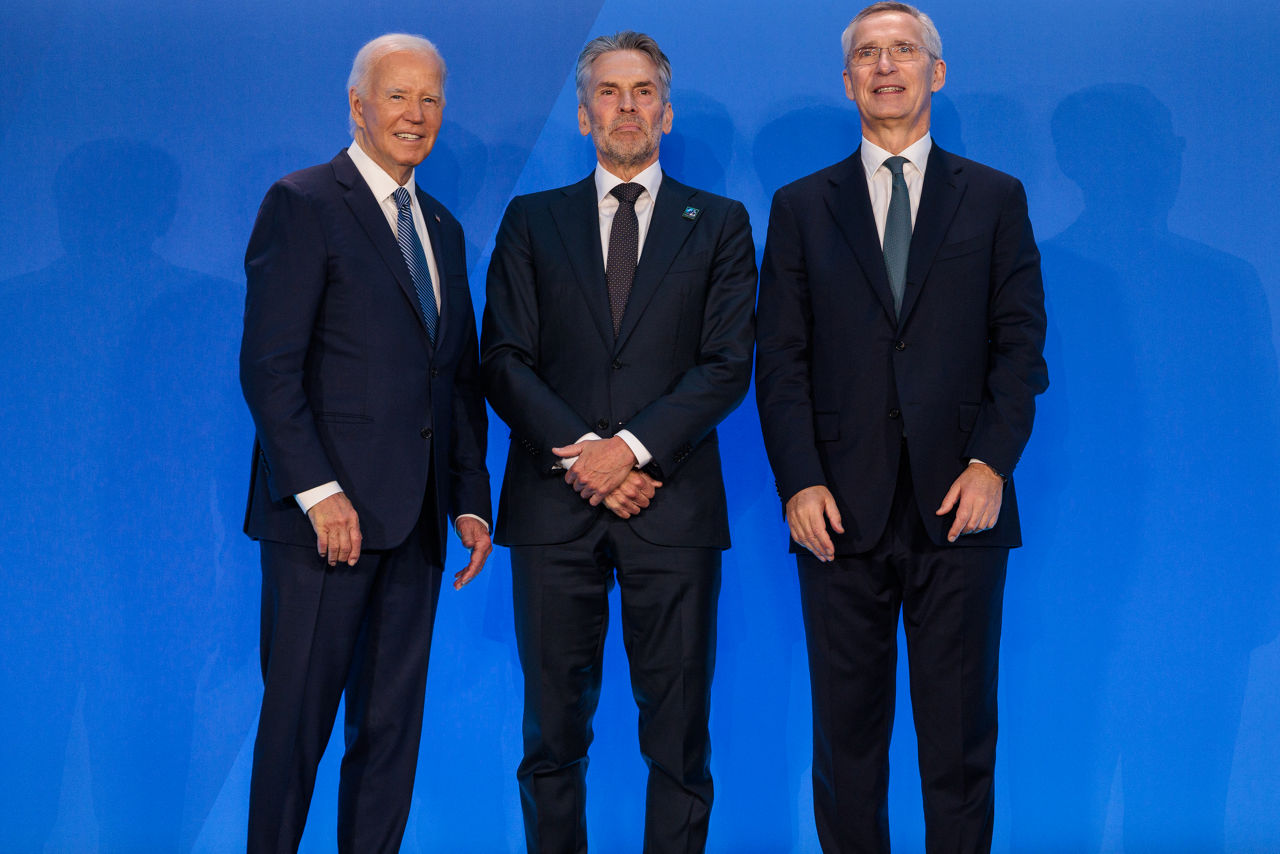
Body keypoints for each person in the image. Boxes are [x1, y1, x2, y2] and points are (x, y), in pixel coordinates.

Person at [754, 3, 1048, 852]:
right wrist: (799, 481)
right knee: (847, 749)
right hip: (836, 514)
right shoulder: (801, 206)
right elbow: (781, 361)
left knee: (959, 746)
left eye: (904, 50)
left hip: (964, 508)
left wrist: (993, 462)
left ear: (936, 72)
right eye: (868, 54)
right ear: (848, 82)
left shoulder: (994, 197)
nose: (887, 66)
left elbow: (1020, 347)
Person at [481, 30, 756, 854]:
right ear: (581, 113)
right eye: (609, 90)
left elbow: (725, 365)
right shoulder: (531, 221)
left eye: (642, 91)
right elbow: (503, 359)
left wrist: (629, 450)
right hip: (552, 510)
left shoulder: (722, 224)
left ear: (666, 114)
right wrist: (586, 457)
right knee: (551, 738)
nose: (626, 105)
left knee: (678, 740)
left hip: (671, 509)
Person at [239, 33, 492, 853]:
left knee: (390, 737)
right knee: (295, 732)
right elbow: (269, 370)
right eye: (397, 96)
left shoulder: (444, 229)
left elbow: (452, 377)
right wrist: (318, 493)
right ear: (357, 105)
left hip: (414, 526)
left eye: (429, 100)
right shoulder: (304, 202)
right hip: (324, 528)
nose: (415, 115)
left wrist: (468, 499)